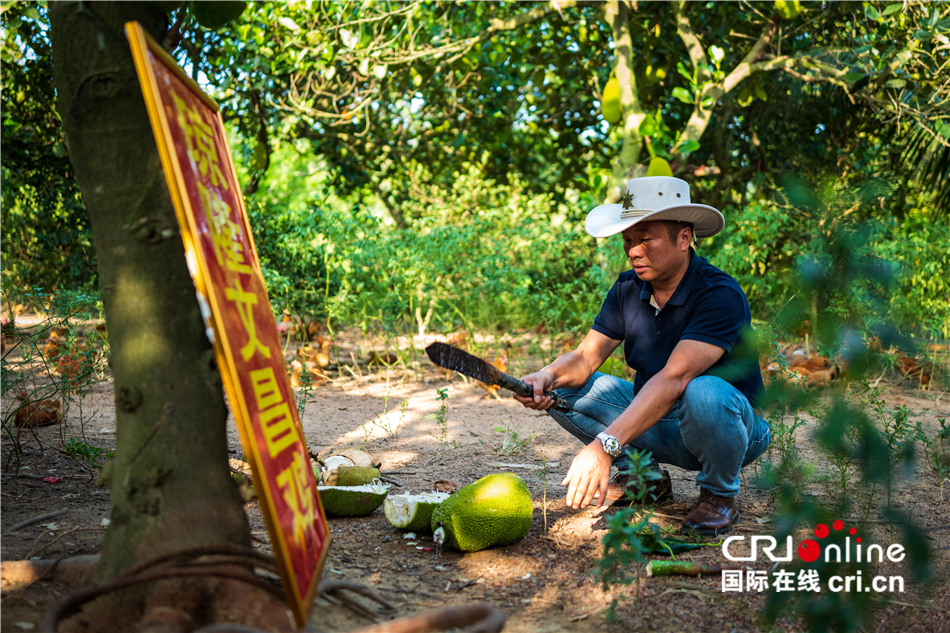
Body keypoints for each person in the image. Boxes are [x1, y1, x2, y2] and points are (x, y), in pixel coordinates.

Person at [514, 176, 769, 536]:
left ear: (684, 238)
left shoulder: (718, 293)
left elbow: (675, 378)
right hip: (660, 421)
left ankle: (718, 494)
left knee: (704, 391)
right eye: (628, 241)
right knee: (566, 389)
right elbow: (585, 357)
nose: (634, 250)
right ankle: (645, 475)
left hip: (730, 427)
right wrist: (546, 375)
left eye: (646, 238)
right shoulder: (627, 288)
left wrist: (604, 446)